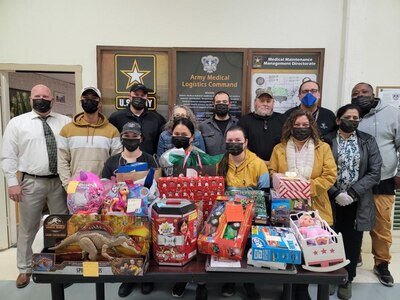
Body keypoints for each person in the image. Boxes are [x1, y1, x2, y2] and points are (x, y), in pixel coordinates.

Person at [0, 84, 71, 288]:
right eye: (37, 96)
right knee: (28, 227)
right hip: (31, 181)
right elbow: (8, 155)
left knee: (61, 227)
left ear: (52, 99)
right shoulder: (17, 123)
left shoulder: (65, 122)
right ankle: (24, 269)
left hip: (59, 182)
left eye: (45, 96)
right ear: (31, 99)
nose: (41, 99)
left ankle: (60, 264)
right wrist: (13, 183)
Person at [269, 109, 337, 300]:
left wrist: (305, 187)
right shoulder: (279, 148)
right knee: (289, 248)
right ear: (290, 127)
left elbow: (330, 175)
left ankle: (302, 289)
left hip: (315, 206)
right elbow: (272, 170)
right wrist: (284, 182)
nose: (300, 128)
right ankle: (287, 289)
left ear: (311, 127)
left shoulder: (322, 148)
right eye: (296, 125)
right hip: (285, 206)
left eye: (305, 125)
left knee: (310, 248)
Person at [324, 104, 382, 299]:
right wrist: (334, 193)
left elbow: (375, 172)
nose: (352, 120)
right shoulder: (327, 140)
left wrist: (352, 192)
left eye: (356, 118)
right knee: (329, 237)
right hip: (330, 199)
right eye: (347, 117)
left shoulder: (367, 141)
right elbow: (320, 170)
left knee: (352, 240)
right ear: (338, 120)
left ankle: (346, 279)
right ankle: (330, 276)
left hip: (357, 200)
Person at [164, 118, 222, 300]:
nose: (180, 137)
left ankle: (201, 284)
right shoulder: (166, 157)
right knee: (181, 239)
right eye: (177, 134)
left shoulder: (201, 156)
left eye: (184, 135)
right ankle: (182, 277)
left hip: (199, 208)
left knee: (198, 241)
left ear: (192, 137)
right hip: (177, 208)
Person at [351, 82, 400, 287]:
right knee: (354, 220)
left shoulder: (392, 113)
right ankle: (355, 255)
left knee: (381, 223)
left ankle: (382, 263)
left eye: (364, 92)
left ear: (373, 94)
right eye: (355, 93)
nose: (360, 95)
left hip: (384, 178)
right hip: (355, 180)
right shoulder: (351, 115)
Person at [217, 126, 269, 300]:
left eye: (238, 141)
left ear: (246, 142)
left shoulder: (258, 164)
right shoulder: (221, 164)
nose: (234, 144)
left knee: (248, 250)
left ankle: (249, 284)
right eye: (230, 141)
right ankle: (229, 281)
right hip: (227, 216)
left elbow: (266, 193)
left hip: (251, 216)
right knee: (228, 248)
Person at [57, 87, 121, 189]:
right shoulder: (67, 130)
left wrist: (110, 186)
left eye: (94, 98)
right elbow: (62, 161)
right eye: (86, 98)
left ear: (100, 103)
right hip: (77, 188)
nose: (89, 101)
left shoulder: (112, 131)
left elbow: (117, 161)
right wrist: (68, 185)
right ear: (80, 101)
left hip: (102, 188)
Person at [109, 83, 166, 155]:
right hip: (123, 164)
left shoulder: (157, 119)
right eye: (136, 95)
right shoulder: (116, 118)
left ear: (147, 97)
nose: (139, 97)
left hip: (149, 163)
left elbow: (161, 145)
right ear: (129, 96)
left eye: (142, 95)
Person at [238, 88, 286, 164]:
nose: (265, 104)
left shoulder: (283, 119)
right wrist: (259, 162)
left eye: (268, 101)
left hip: (277, 166)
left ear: (273, 103)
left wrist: (273, 163)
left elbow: (287, 144)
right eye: (262, 101)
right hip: (252, 166)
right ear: (255, 102)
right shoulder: (244, 121)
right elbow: (242, 145)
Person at [199, 91, 239, 155]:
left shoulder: (238, 124)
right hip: (210, 164)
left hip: (233, 164)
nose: (221, 104)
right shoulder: (203, 126)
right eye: (218, 102)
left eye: (224, 102)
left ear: (229, 104)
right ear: (213, 104)